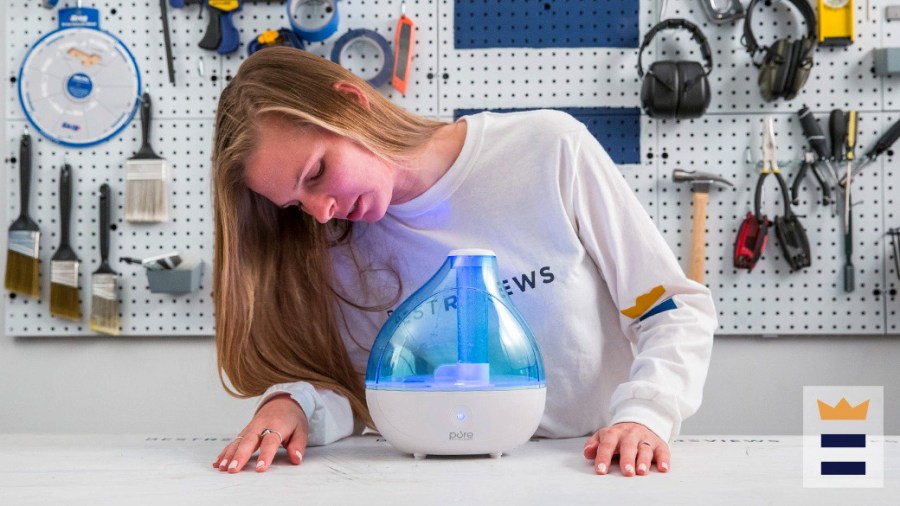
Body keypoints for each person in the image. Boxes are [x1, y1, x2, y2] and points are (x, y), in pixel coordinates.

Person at [210, 47, 716, 476]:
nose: (320, 212)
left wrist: (645, 413)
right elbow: (360, 396)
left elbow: (667, 308)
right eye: (297, 204)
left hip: (593, 466)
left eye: (317, 172)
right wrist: (296, 402)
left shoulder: (547, 149)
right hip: (437, 479)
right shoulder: (337, 249)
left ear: (351, 104)